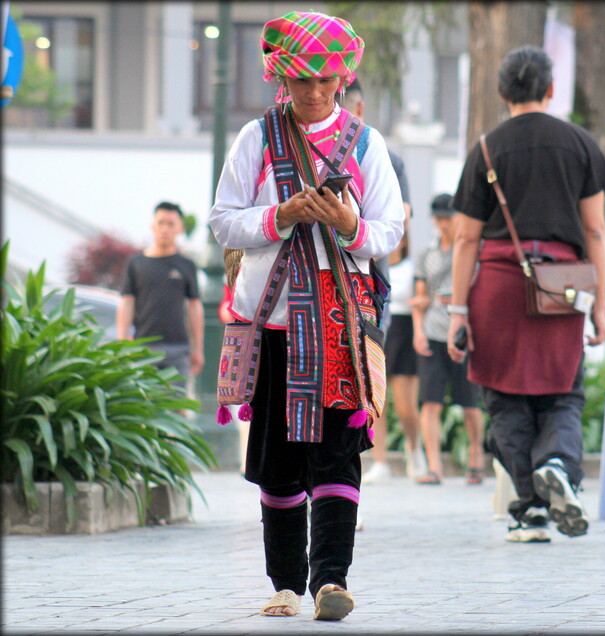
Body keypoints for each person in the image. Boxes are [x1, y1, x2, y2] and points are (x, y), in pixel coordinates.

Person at [208, 10, 403, 621]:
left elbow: (390, 231)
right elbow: (222, 219)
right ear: (281, 81)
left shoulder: (367, 145)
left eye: (326, 83)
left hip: (338, 326)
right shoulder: (255, 139)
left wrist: (350, 226)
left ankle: (331, 582)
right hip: (269, 323)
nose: (315, 95)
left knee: (337, 452)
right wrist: (281, 214)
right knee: (278, 459)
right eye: (301, 84)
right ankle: (286, 585)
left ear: (341, 79)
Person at [446, 46, 605, 543]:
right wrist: (600, 305)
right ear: (551, 89)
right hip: (564, 286)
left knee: (504, 397)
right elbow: (597, 232)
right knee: (563, 389)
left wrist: (458, 310)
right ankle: (558, 465)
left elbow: (464, 239)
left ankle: (529, 509)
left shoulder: (485, 149)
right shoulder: (581, 144)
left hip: (498, 285)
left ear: (502, 92)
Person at [342, 80, 424, 483]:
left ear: (357, 108)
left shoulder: (384, 155)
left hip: (369, 290)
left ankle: (364, 468)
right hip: (310, 294)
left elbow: (398, 219)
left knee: (366, 380)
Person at [413, 193, 485, 485]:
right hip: (432, 331)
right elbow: (420, 298)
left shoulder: (472, 250)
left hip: (463, 333)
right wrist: (418, 330)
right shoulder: (427, 254)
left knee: (469, 403)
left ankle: (477, 456)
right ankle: (434, 466)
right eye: (439, 218)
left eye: (448, 218)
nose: (443, 224)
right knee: (430, 402)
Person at [116, 201, 204, 391]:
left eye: (171, 224)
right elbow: (127, 302)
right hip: (143, 348)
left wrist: (198, 348)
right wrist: (122, 342)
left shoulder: (187, 265)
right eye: (161, 223)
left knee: (175, 409)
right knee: (143, 409)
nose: (165, 229)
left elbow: (194, 306)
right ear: (152, 226)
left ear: (180, 228)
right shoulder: (136, 264)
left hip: (178, 349)